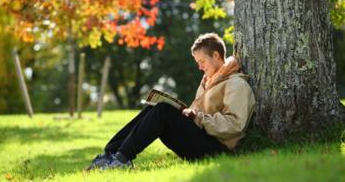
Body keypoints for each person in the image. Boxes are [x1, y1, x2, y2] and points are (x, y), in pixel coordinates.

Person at [86, 33, 256, 170]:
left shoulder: (236, 84)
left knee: (163, 111)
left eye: (202, 61)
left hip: (218, 149)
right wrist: (189, 114)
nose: (199, 67)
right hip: (203, 139)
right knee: (154, 107)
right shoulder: (209, 80)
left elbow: (235, 125)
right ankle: (111, 154)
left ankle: (122, 161)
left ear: (217, 55)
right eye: (197, 63)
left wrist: (197, 118)